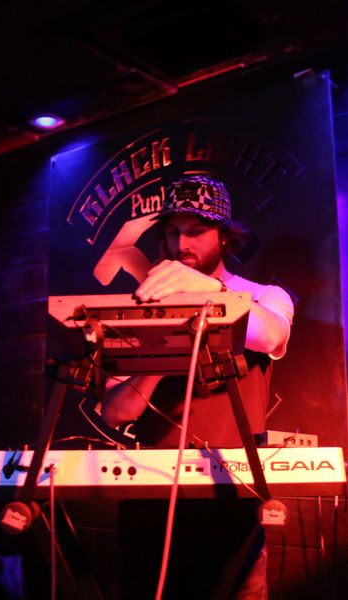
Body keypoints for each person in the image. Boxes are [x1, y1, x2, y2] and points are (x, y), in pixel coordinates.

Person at [101, 175, 295, 599]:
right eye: (172, 232)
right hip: (151, 494)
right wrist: (162, 353)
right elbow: (115, 413)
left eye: (196, 231)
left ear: (224, 236)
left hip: (233, 491)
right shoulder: (142, 303)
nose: (181, 243)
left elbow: (270, 336)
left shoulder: (265, 295)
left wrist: (209, 292)